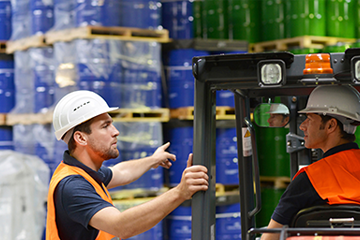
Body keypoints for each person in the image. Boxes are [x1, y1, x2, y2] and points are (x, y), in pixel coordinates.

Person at [46, 90, 209, 240]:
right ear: (81, 138)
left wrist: (153, 160)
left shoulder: (84, 172)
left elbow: (121, 172)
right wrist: (180, 192)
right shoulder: (72, 187)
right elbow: (121, 226)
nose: (115, 131)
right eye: (105, 126)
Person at [261, 85, 360, 240]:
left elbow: (270, 237)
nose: (302, 126)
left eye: (309, 119)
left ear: (330, 125)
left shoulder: (309, 178)